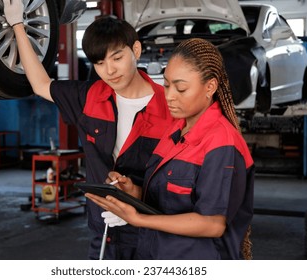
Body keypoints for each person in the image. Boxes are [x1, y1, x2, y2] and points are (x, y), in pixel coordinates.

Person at [3, 1, 174, 260]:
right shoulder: (89, 98)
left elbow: (181, 179)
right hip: (102, 231)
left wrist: (137, 205)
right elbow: (40, 84)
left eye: (117, 58)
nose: (110, 70)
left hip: (152, 234)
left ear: (135, 50)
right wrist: (18, 25)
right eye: (100, 62)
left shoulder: (171, 109)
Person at [86, 38, 255, 260]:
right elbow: (168, 199)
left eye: (181, 88)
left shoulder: (221, 143)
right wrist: (134, 193)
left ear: (210, 87)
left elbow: (212, 224)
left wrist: (138, 218)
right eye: (166, 85)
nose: (169, 96)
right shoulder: (175, 131)